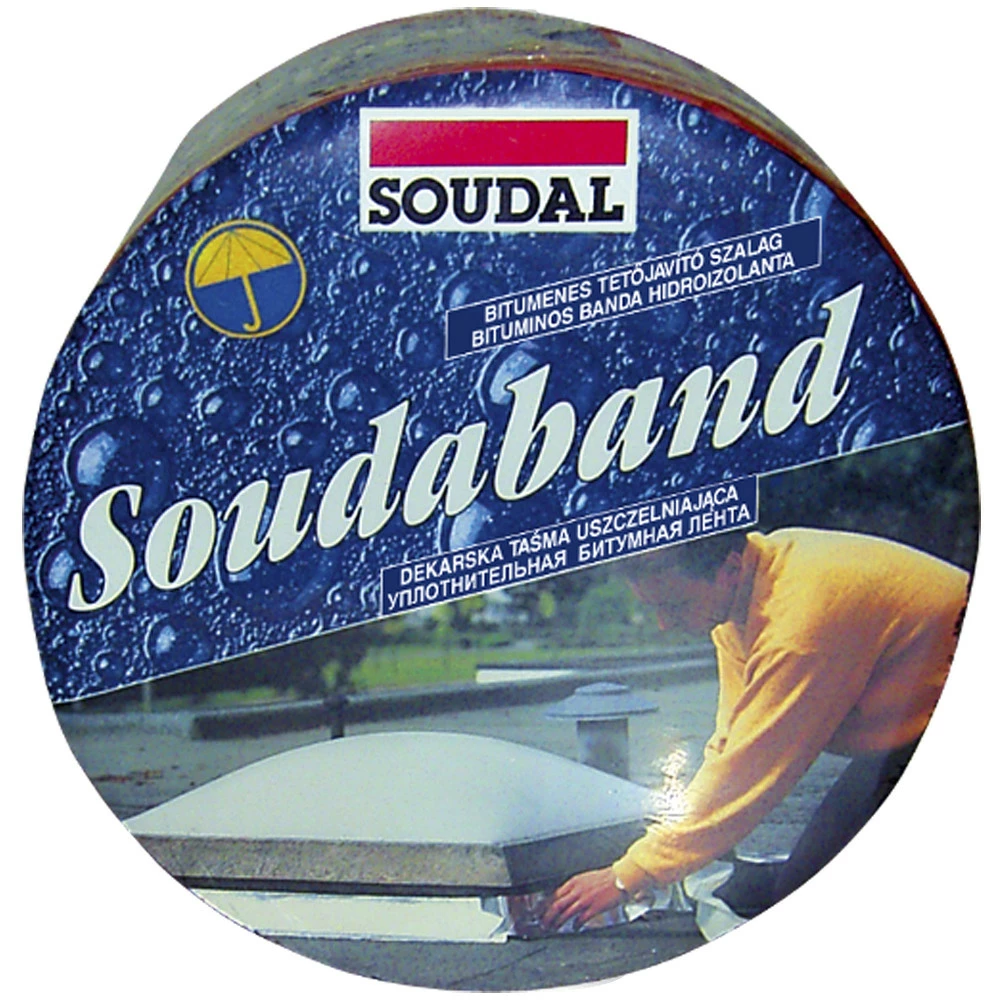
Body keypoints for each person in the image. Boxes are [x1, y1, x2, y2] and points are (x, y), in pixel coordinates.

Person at [542, 527, 971, 929]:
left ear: (729, 569)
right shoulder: (746, 594)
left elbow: (757, 767)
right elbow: (731, 741)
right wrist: (680, 839)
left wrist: (628, 875)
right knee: (785, 883)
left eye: (674, 606)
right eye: (654, 608)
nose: (663, 625)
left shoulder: (799, 624)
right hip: (919, 725)